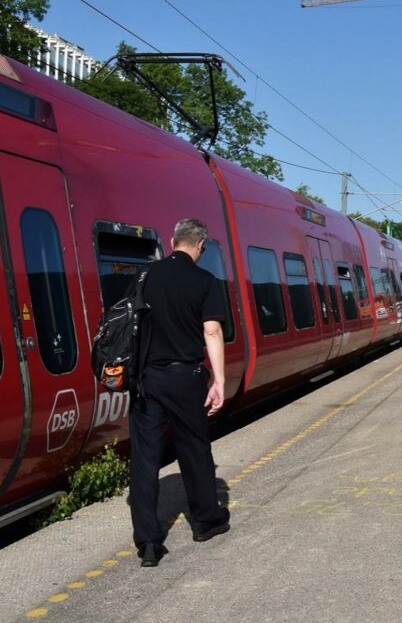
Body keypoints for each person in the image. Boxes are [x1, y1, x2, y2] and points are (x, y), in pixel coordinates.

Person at [128, 217, 230, 567]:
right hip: (186, 378)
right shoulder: (205, 281)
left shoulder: (145, 276)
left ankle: (148, 543)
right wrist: (219, 380)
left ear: (172, 241)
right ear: (201, 245)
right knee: (194, 448)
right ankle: (205, 522)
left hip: (148, 380)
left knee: (144, 459)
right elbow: (212, 331)